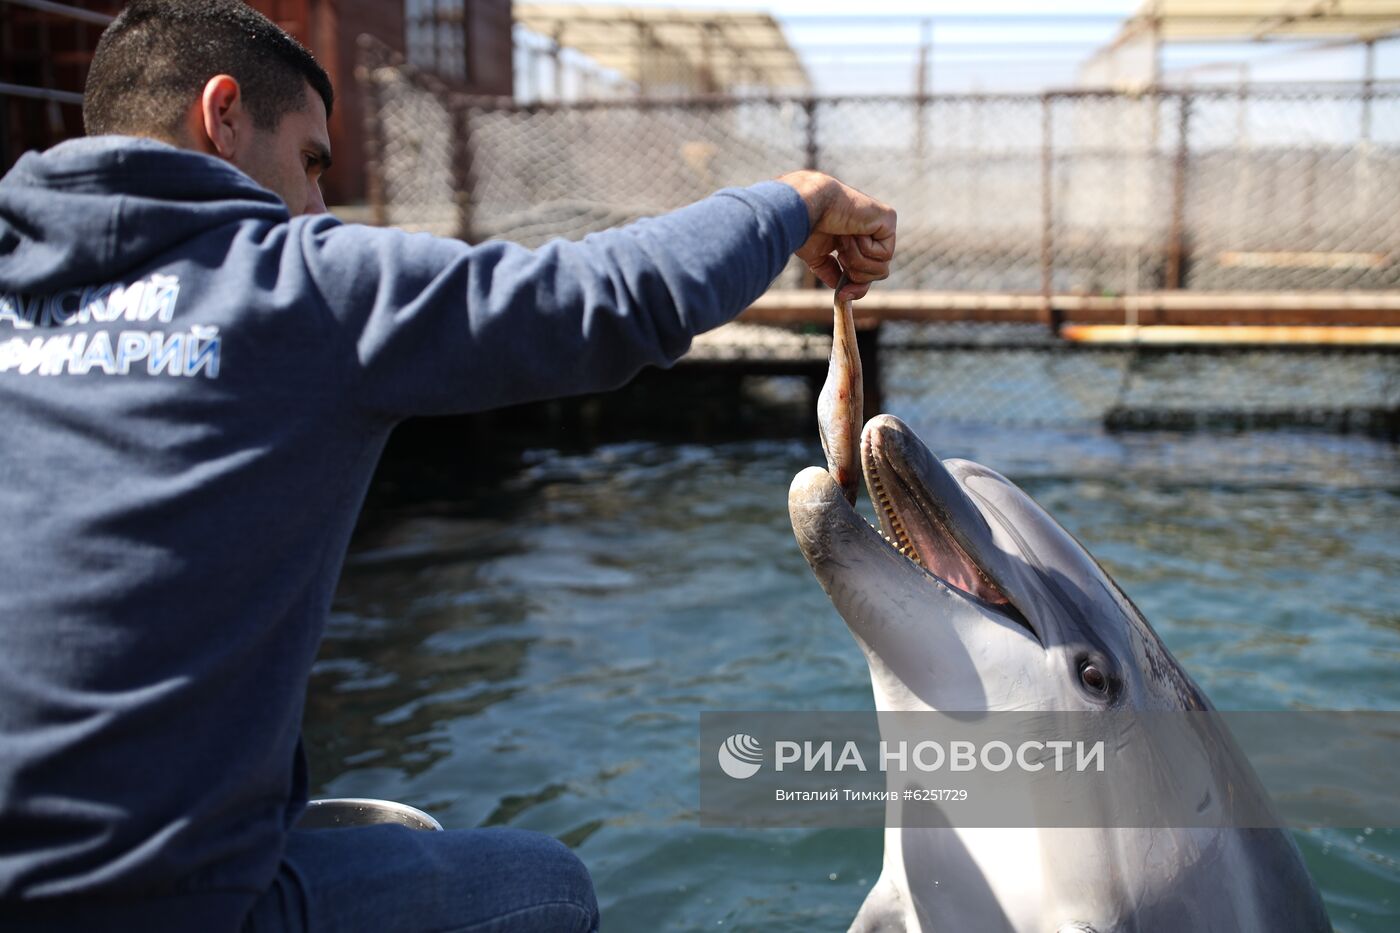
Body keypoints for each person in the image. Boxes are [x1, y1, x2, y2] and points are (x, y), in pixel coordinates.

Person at [0, 1, 896, 930]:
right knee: (545, 886)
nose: (315, 202)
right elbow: (599, 299)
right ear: (222, 115)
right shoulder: (295, 285)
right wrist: (792, 201)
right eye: (310, 161)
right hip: (153, 903)